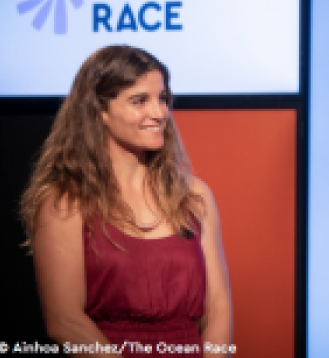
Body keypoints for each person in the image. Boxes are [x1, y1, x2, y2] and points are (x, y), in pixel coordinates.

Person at [20, 45, 232, 356]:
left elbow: (218, 308)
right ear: (99, 111)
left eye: (162, 98)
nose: (159, 113)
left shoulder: (194, 197)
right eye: (140, 101)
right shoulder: (65, 204)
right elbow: (65, 321)